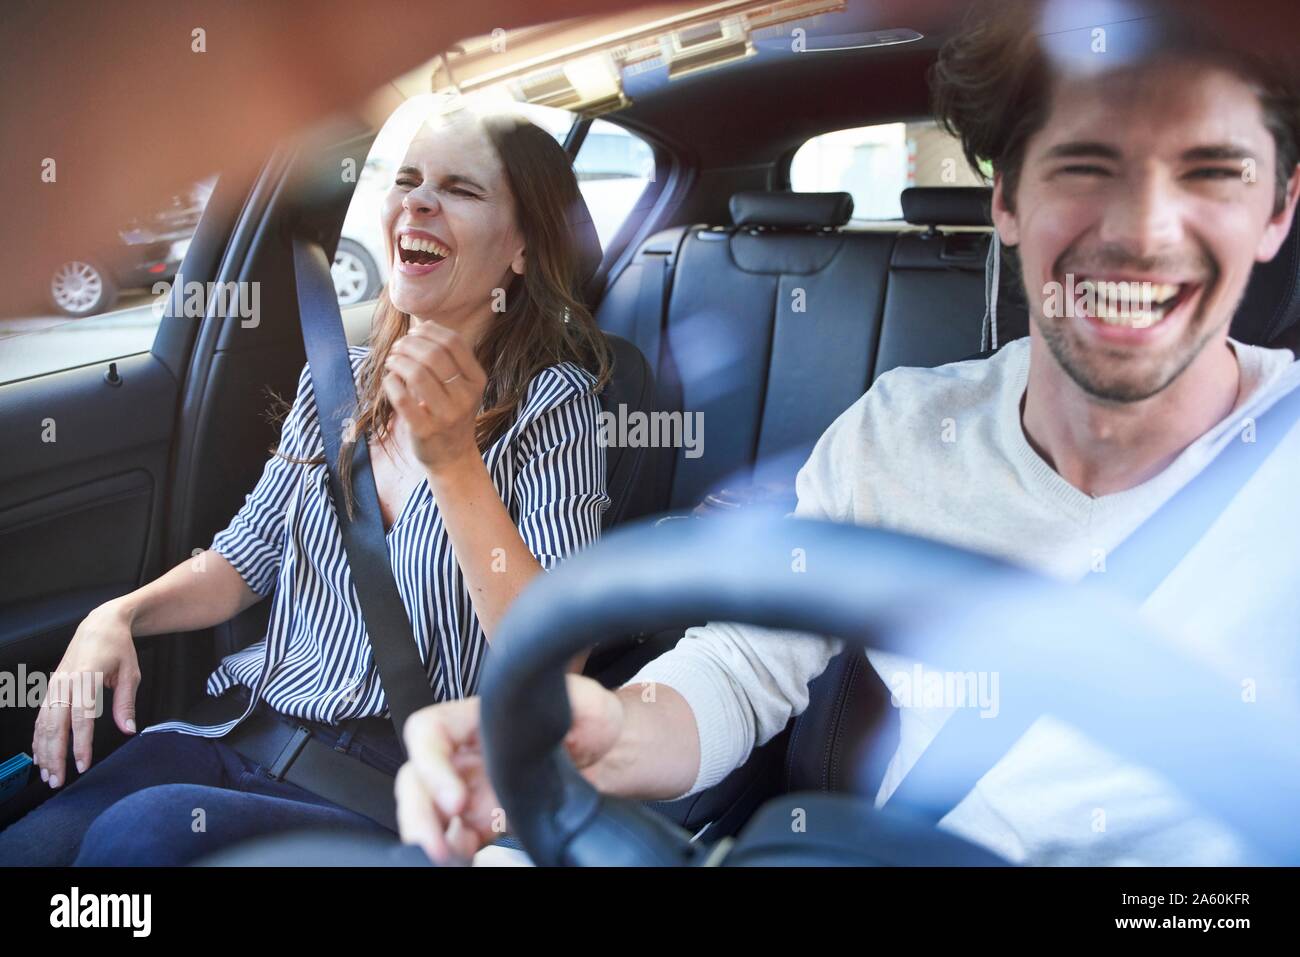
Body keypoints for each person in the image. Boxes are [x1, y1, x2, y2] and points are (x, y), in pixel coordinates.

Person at [395, 0, 1300, 866]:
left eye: (1211, 171)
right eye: (1086, 166)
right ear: (1008, 202)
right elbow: (747, 663)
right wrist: (599, 732)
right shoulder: (902, 428)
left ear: (1278, 210)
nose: (1142, 230)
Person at [0, 108, 612, 866]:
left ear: (523, 247)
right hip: (242, 729)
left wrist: (454, 462)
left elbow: (552, 664)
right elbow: (241, 562)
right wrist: (115, 615)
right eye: (408, 182)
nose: (417, 203)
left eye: (458, 189)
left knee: (141, 838)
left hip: (400, 787)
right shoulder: (340, 382)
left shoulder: (555, 407)